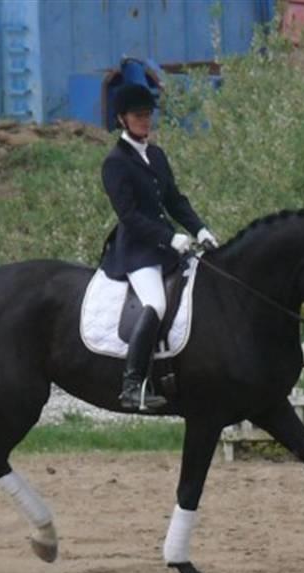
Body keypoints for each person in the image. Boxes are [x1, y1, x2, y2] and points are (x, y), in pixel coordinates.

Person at [100, 83, 218, 411]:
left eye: (148, 115)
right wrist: (170, 237)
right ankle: (132, 384)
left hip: (166, 248)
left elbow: (174, 201)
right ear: (122, 119)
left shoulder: (156, 155)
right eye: (138, 116)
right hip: (136, 252)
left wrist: (200, 229)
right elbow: (129, 216)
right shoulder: (115, 162)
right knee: (156, 303)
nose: (145, 121)